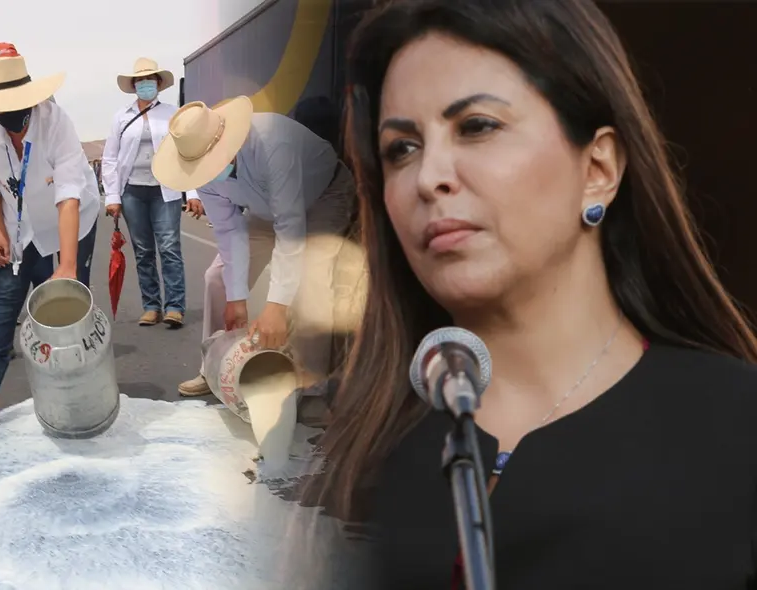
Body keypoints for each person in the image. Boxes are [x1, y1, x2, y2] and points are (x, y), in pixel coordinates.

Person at [310, 1, 757, 588]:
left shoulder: (736, 428)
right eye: (402, 148)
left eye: (476, 126)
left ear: (598, 166)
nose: (428, 177)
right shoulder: (329, 434)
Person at [152, 99, 356, 412]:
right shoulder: (201, 171)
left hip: (322, 196)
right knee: (217, 278)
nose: (208, 173)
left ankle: (311, 388)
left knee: (312, 283)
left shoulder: (274, 142)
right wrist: (237, 298)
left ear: (226, 142)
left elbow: (290, 227)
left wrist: (275, 307)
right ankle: (215, 366)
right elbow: (229, 230)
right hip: (265, 210)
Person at [0, 45, 100, 423]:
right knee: (5, 298)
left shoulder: (55, 121)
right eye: (2, 107)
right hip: (21, 226)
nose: (11, 116)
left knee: (66, 302)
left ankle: (77, 391)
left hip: (72, 220)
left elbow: (68, 194)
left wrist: (66, 265)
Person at [102, 58, 203, 328]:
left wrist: (192, 192)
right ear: (134, 85)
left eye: (150, 80)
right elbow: (110, 158)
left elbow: (187, 153)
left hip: (164, 190)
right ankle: (151, 305)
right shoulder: (121, 117)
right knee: (143, 250)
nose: (145, 84)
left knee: (169, 247)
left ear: (159, 83)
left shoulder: (173, 113)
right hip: (132, 191)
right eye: (140, 80)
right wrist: (112, 197)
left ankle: (174, 306)